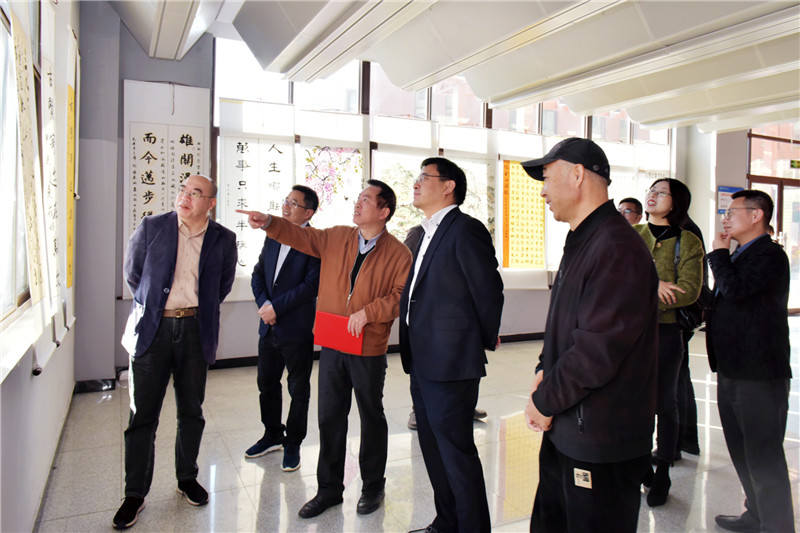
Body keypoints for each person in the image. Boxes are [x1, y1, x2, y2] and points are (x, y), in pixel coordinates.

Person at [237, 180, 412, 519]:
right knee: (330, 416)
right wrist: (270, 222)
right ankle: (329, 489)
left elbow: (400, 296)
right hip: (333, 341)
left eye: (365, 199)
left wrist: (369, 312)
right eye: (358, 197)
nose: (357, 203)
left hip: (368, 345)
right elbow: (299, 236)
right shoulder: (336, 237)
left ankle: (373, 485)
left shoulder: (398, 253)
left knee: (371, 415)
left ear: (384, 211)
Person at [521, 138, 659, 533]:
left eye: (548, 178)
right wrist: (544, 369)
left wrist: (544, 401)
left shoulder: (616, 247)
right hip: (571, 424)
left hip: (600, 437)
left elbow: (596, 350)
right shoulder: (585, 239)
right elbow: (566, 326)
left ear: (578, 175)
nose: (543, 191)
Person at [114, 175, 237, 530]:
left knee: (191, 411)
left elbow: (222, 286)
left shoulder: (224, 239)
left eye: (195, 193)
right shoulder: (152, 227)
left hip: (196, 331)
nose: (185, 197)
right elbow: (134, 275)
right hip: (153, 330)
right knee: (142, 416)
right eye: (183, 190)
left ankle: (187, 478)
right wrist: (158, 308)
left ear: (210, 203)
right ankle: (135, 493)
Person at [400, 158, 504, 533]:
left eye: (423, 177)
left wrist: (475, 342)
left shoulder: (465, 229)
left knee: (456, 452)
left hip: (451, 359)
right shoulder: (421, 233)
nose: (416, 183)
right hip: (421, 356)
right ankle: (446, 522)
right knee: (432, 448)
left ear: (448, 187)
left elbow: (488, 290)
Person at [707, 190, 795, 533]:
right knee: (742, 451)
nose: (725, 219)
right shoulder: (741, 254)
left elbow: (736, 290)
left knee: (763, 456)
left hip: (759, 373)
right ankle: (756, 515)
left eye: (732, 212)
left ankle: (777, 527)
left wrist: (718, 253)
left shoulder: (769, 255)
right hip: (734, 368)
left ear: (757, 215)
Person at [634, 178, 703, 507]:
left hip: (667, 332)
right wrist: (655, 286)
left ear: (676, 202)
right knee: (635, 403)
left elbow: (689, 290)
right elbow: (618, 279)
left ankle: (663, 470)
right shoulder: (633, 235)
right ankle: (640, 465)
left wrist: (648, 293)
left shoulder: (688, 241)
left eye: (661, 192)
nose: (653, 195)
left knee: (665, 402)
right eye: (651, 190)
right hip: (632, 334)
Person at [244, 185, 321, 473]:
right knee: (266, 383)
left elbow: (311, 285)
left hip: (296, 328)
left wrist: (276, 308)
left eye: (294, 203)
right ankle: (272, 434)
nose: (286, 207)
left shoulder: (314, 241)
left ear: (308, 212)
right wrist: (265, 304)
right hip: (268, 325)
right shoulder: (274, 235)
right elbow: (258, 273)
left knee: (298, 388)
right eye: (285, 201)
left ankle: (293, 442)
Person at [403, 223, 489, 432]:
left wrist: (487, 329)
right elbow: (406, 272)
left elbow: (483, 283)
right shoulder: (419, 233)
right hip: (428, 319)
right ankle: (418, 410)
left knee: (466, 368)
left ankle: (466, 407)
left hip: (462, 319)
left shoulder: (464, 230)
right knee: (425, 371)